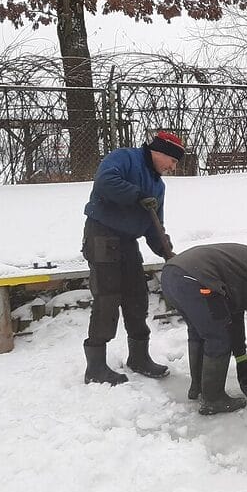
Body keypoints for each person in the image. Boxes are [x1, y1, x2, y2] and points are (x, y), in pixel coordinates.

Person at [81, 131, 185, 386]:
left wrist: (168, 253)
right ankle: (95, 367)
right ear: (160, 152)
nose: (172, 168)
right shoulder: (125, 158)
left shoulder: (158, 186)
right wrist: (136, 195)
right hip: (102, 234)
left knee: (137, 297)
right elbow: (105, 182)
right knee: (107, 299)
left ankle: (139, 357)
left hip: (128, 242)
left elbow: (154, 226)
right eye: (172, 161)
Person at [160, 243, 247, 415]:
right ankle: (213, 399)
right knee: (217, 338)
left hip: (173, 275)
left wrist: (241, 360)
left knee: (200, 333)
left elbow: (233, 318)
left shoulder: (246, 271)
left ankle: (199, 388)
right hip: (194, 278)